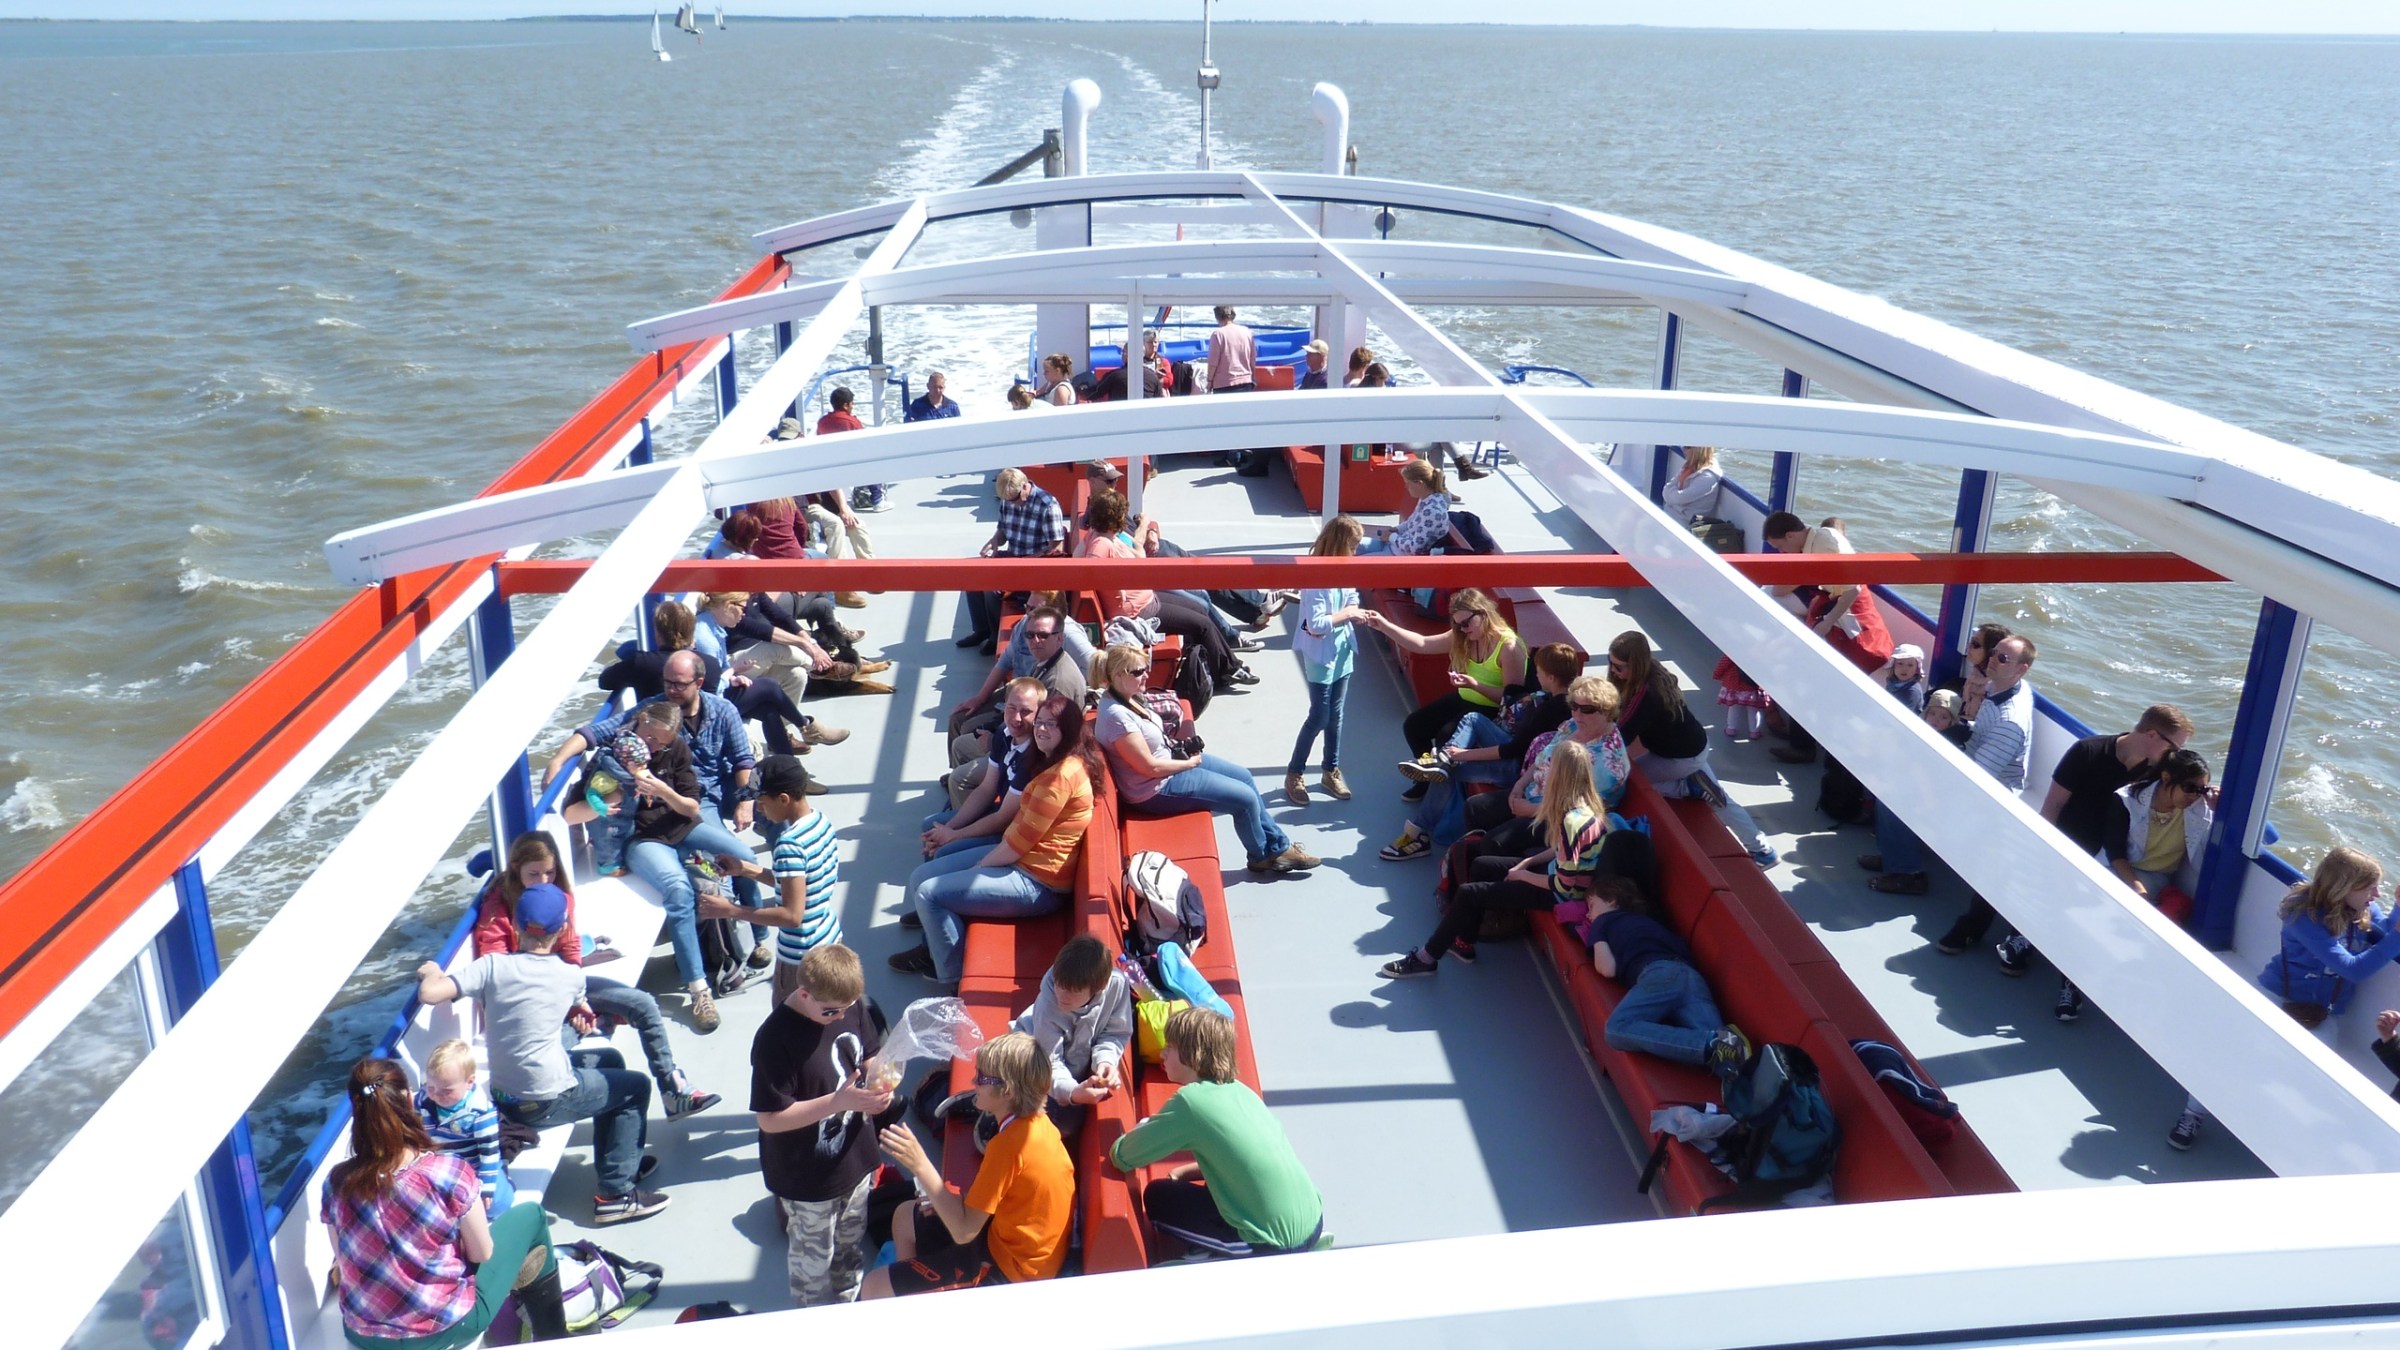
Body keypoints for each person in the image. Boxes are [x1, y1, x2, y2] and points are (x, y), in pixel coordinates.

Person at [415, 883, 667, 1226]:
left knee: (608, 1062)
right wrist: (584, 1012)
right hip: (547, 1098)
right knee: (635, 1088)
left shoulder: (491, 967)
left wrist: (430, 969)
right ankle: (616, 1194)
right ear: (563, 929)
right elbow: (579, 1010)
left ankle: (622, 1161)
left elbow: (431, 993)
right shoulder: (570, 975)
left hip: (505, 1095)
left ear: (516, 926)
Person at [320, 1058, 569, 1346]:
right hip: (441, 1332)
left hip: (364, 1335)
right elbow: (481, 1254)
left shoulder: (336, 1181)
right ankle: (555, 1337)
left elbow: (342, 1254)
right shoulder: (447, 1172)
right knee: (532, 1216)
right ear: (409, 1099)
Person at [471, 831, 720, 1118]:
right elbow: (497, 973)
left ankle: (672, 1089)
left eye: (549, 873)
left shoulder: (560, 897)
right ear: (516, 869)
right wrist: (566, 1004)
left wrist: (575, 996)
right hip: (528, 1005)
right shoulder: (497, 911)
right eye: (533, 873)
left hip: (565, 985)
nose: (543, 881)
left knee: (644, 1005)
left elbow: (570, 946)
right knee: (557, 1043)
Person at [2174, 848, 2400, 1154]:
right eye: (2370, 887)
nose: (2377, 893)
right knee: (2232, 1054)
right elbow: (2352, 968)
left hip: (2322, 1012)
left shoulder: (2365, 911)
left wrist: (2398, 909)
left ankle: (2273, 1132)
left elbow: (2385, 933)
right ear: (2344, 886)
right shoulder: (2302, 915)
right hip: (2277, 995)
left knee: (2318, 1077)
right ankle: (2193, 1113)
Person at [1382, 740, 1643, 977]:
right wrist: (1526, 863)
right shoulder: (1586, 804)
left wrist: (1523, 876)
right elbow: (1561, 851)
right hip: (1558, 872)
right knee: (1482, 865)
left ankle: (1426, 959)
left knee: (1470, 893)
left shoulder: (1572, 821)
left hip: (1562, 892)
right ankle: (1464, 942)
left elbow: (1565, 885)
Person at [1989, 705, 2196, 1003]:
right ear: (2152, 735)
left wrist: (2210, 795)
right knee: (2047, 883)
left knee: (2086, 912)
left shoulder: (2155, 772)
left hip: (2112, 855)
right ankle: (2019, 938)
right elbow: (2052, 807)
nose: (2174, 755)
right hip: (2067, 842)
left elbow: (2190, 777)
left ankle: (2068, 982)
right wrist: (2044, 850)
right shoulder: (2087, 752)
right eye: (2174, 747)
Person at [891, 691, 1094, 983]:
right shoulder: (1049, 761)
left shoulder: (1059, 778)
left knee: (929, 893)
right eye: (1041, 722)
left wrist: (976, 870)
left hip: (1038, 881)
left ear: (1070, 730)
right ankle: (933, 937)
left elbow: (1015, 846)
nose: (1041, 729)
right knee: (921, 876)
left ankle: (949, 976)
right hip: (1021, 857)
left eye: (1052, 724)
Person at [864, 1032, 1075, 1297]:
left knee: (874, 1286)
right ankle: (913, 1295)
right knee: (905, 1215)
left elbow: (964, 1231)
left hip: (1012, 1273)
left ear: (1007, 1091)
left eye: (982, 1077)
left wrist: (920, 1164)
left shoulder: (1009, 1147)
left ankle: (909, 1297)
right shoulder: (1036, 1124)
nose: (973, 1080)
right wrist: (943, 1200)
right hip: (1004, 1237)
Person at [1108, 1007, 1325, 1259]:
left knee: (1158, 1196)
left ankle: (1220, 1256)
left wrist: (1138, 1130)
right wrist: (1184, 1172)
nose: (1163, 1052)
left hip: (1273, 1245)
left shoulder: (1191, 1101)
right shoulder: (1242, 1092)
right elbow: (1241, 1159)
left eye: (1170, 1046)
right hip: (1314, 1221)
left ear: (1193, 1054)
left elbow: (1122, 1156)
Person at [749, 943, 898, 1307]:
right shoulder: (774, 1040)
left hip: (856, 1158)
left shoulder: (848, 1006)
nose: (839, 1017)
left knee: (850, 1247)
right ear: (803, 994)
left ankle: (846, 1306)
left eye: (846, 1009)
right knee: (812, 1266)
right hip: (807, 1178)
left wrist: (881, 1082)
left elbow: (869, 1054)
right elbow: (770, 1119)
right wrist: (839, 1102)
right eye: (831, 1011)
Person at [1093, 644, 1320, 876]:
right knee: (1245, 800)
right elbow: (1149, 767)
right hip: (1154, 789)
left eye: (1146, 668)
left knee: (1245, 776)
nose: (1146, 675)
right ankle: (1261, 857)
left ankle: (1278, 847)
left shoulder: (1127, 697)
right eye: (1139, 671)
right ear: (1119, 674)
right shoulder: (1116, 717)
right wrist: (1189, 764)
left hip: (1169, 765)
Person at [1863, 634, 2038, 898]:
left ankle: (1908, 874)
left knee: (1894, 793)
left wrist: (1924, 772)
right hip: (1973, 766)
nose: (1993, 660)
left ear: (2021, 669)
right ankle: (1895, 854)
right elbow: (1977, 739)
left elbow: (1977, 781)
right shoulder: (2002, 687)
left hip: (1987, 798)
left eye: (2003, 658)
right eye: (1993, 653)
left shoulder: (2010, 721)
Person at [1381, 644, 1585, 861]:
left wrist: (1462, 755)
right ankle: (1442, 759)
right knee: (1473, 719)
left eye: (1539, 672)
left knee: (1450, 770)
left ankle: (1416, 834)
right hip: (1523, 754)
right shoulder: (1560, 699)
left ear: (1551, 677)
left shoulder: (1551, 710)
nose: (1536, 675)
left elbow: (1512, 751)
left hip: (1519, 768)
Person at [1608, 630, 1776, 867]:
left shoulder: (1648, 694)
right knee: (1721, 801)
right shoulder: (1653, 670)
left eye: (1619, 667)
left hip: (1679, 760)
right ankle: (1764, 851)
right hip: (1694, 746)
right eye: (1611, 664)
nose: (1614, 671)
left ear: (1636, 664)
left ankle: (1684, 786)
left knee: (1627, 781)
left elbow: (1621, 735)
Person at [1079, 487, 1257, 689]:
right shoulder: (1101, 545)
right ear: (1113, 516)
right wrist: (1116, 587)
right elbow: (1087, 568)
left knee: (1200, 608)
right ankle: (1228, 670)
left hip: (1148, 599)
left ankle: (1218, 663)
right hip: (1139, 611)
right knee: (1202, 624)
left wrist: (1147, 527)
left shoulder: (1106, 537)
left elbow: (1137, 555)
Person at [1361, 588, 1529, 794]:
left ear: (1483, 613)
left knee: (1445, 735)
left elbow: (1511, 700)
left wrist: (1474, 684)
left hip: (1490, 711)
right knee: (1414, 726)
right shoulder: (1464, 635)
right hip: (1464, 697)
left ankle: (1441, 789)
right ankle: (1426, 778)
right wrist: (1384, 626)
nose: (1463, 629)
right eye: (1458, 625)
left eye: (1466, 623)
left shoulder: (1509, 647)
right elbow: (1422, 644)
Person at [706, 756, 842, 1003]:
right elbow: (799, 887)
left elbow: (791, 915)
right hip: (830, 940)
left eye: (762, 801)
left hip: (801, 960)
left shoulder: (789, 845)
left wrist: (731, 910)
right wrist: (744, 869)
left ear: (783, 799)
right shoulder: (821, 823)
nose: (759, 808)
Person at [1584, 875, 1749, 1070]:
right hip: (1692, 977)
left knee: (1617, 1029)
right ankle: (1747, 1063)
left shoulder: (1603, 921)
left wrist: (1595, 937)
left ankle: (1710, 1042)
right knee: (1730, 1062)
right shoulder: (1649, 922)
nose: (1588, 914)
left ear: (1612, 901)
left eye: (1591, 905)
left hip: (1660, 974)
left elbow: (1607, 969)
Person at [1008, 934, 1134, 1128]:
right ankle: (997, 1097)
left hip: (1075, 1066)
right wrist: (1073, 1092)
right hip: (1035, 1058)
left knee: (1067, 1123)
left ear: (1098, 990)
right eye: (1058, 984)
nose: (1061, 996)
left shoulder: (1116, 985)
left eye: (1073, 991)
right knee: (1059, 1124)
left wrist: (1105, 1061)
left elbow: (1115, 1033)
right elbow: (1049, 1062)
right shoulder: (1048, 1005)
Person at [1287, 515, 1370, 805]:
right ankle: (1294, 773)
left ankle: (1330, 770)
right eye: (1354, 545)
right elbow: (1317, 623)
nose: (1356, 551)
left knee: (1336, 717)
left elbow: (1351, 598)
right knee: (1319, 716)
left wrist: (1354, 609)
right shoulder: (1315, 579)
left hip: (1343, 651)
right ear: (1340, 544)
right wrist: (1349, 614)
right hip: (1321, 657)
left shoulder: (1343, 570)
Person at [949, 602, 1091, 751]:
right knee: (959, 719)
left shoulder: (1056, 684)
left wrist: (994, 741)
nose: (1035, 641)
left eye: (1043, 635)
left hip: (1030, 754)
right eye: (1030, 635)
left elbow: (1044, 738)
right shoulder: (1046, 659)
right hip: (1023, 725)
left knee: (961, 746)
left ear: (1060, 639)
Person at [962, 467, 1068, 653]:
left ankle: (995, 638)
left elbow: (1055, 549)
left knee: (991, 589)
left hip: (1036, 569)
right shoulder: (1008, 501)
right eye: (1009, 501)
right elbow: (1002, 532)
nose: (1014, 504)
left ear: (1026, 486)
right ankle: (981, 630)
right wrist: (993, 542)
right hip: (1013, 559)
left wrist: (1026, 561)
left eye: (1017, 499)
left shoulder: (1048, 505)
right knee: (972, 577)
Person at [930, 676, 1040, 846]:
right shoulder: (1004, 733)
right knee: (931, 828)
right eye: (1011, 708)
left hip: (1012, 834)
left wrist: (954, 835)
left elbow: (1004, 818)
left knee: (944, 848)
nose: (1017, 718)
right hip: (1001, 817)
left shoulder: (1032, 757)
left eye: (1026, 712)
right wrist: (949, 828)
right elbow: (987, 788)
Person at [414, 1040, 510, 1218]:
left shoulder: (480, 1113)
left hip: (472, 1169)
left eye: (446, 1090)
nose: (437, 1095)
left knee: (496, 1207)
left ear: (469, 1082)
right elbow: (411, 1114)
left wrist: (486, 1187)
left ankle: (502, 1180)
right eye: (431, 1087)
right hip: (441, 1168)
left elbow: (489, 1153)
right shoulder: (425, 1099)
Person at [1356, 458, 1456, 559]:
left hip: (1401, 555)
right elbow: (1411, 522)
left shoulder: (1432, 511)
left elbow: (1415, 548)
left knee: (1358, 562)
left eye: (1408, 483)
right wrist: (1395, 529)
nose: (1405, 487)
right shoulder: (1427, 497)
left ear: (1419, 483)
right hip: (1395, 545)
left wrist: (1391, 537)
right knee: (1350, 544)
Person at [1661, 446, 1725, 523]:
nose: (1683, 450)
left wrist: (1671, 497)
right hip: (1670, 514)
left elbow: (1679, 498)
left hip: (1684, 523)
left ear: (1699, 451)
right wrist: (1671, 497)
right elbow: (1666, 489)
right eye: (1684, 446)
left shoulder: (1707, 478)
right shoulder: (1689, 467)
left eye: (1688, 447)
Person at [1205, 304, 1256, 395]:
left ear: (1217, 316)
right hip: (1246, 382)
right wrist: (1253, 377)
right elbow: (1252, 359)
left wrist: (1209, 381)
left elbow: (1213, 363)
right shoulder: (1247, 332)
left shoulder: (1217, 335)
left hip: (1224, 385)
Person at [1883, 643, 1929, 713]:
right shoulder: (1893, 682)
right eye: (1900, 663)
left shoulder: (1912, 691)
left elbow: (1903, 716)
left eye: (1910, 665)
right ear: (1893, 665)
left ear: (1917, 669)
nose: (1904, 669)